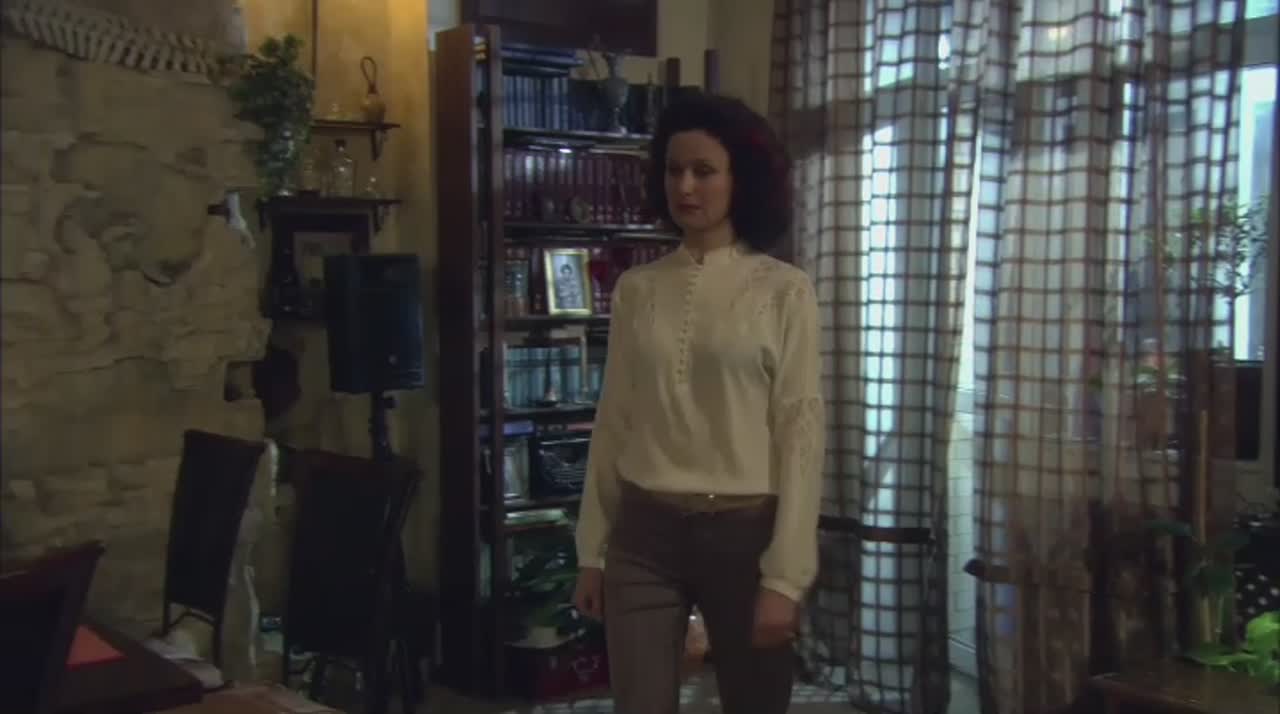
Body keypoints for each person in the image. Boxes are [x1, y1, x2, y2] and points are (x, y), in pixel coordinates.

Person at [572, 92, 824, 714]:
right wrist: (592, 551)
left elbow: (800, 433)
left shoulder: (786, 291)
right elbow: (614, 421)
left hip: (745, 534)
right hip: (643, 534)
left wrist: (786, 576)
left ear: (742, 179)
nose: (685, 186)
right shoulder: (637, 289)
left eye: (704, 171)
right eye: (673, 170)